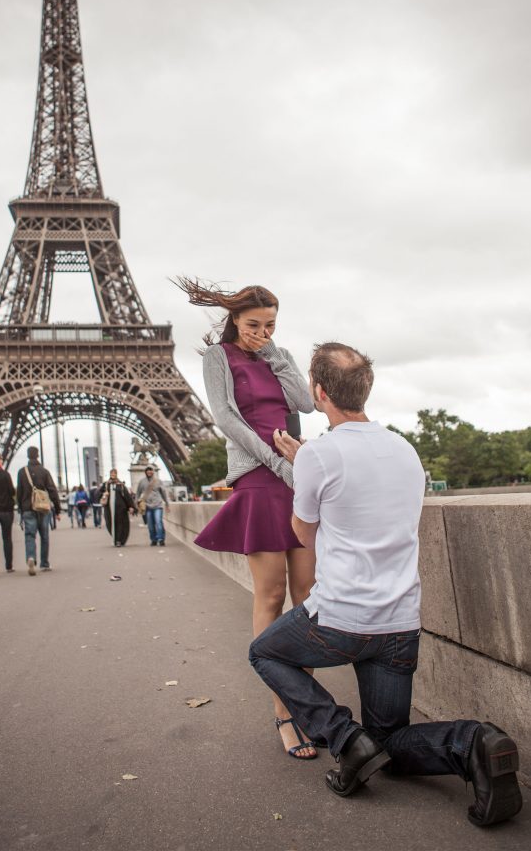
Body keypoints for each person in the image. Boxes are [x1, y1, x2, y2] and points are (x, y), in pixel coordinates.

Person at [249, 343, 522, 826]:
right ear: (365, 389)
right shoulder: (404, 448)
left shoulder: (320, 453)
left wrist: (304, 466)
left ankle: (342, 737)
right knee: (391, 741)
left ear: (318, 391)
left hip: (338, 620)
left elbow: (303, 533)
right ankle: (473, 742)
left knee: (265, 652)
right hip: (399, 625)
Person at [178, 278, 317, 759]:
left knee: (307, 598)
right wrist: (278, 464)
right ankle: (283, 709)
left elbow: (305, 402)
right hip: (261, 478)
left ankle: (308, 707)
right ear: (235, 320)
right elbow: (227, 419)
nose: (262, 331)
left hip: (295, 478)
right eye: (254, 324)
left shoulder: (276, 353)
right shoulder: (217, 358)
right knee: (272, 595)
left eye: (271, 325)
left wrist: (275, 351)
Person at [16, 447, 61, 575]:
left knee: (30, 535)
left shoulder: (21, 472)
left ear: (27, 455)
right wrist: (57, 509)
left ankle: (31, 557)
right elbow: (52, 490)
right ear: (38, 455)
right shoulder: (44, 471)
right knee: (44, 536)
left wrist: (20, 507)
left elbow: (19, 492)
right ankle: (44, 563)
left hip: (27, 508)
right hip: (43, 508)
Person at [99, 468, 134, 547]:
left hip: (120, 509)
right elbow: (99, 494)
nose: (113, 475)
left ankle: (119, 540)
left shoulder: (121, 485)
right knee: (110, 524)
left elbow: (127, 496)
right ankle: (115, 538)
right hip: (109, 509)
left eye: (114, 473)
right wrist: (104, 494)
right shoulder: (106, 484)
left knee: (120, 524)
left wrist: (131, 506)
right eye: (112, 473)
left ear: (116, 474)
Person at [136, 465, 169, 546]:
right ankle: (153, 539)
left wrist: (167, 503)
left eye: (151, 470)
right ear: (145, 472)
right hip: (147, 506)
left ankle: (161, 539)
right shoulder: (142, 482)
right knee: (150, 525)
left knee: (158, 522)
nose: (149, 472)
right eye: (147, 470)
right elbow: (138, 493)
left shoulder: (158, 481)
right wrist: (137, 503)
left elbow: (163, 493)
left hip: (158, 505)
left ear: (153, 471)